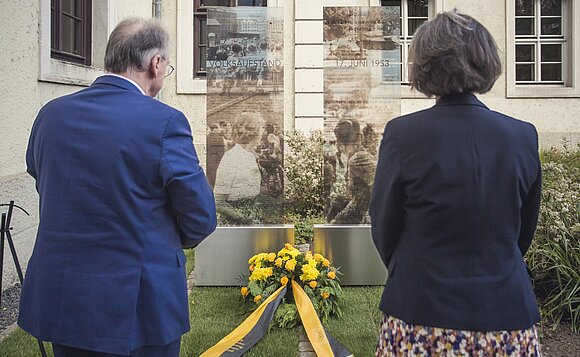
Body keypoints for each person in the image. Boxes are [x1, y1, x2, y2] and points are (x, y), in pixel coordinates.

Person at [18, 18, 217, 357]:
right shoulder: (165, 121)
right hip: (138, 304)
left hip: (65, 298)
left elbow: (42, 178)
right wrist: (167, 238)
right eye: (166, 66)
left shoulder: (50, 115)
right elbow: (200, 216)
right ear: (155, 64)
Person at [370, 10, 542, 356]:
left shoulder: (403, 134)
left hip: (420, 315)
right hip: (507, 317)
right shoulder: (522, 136)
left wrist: (414, 269)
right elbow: (522, 231)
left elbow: (384, 226)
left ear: (422, 65)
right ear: (486, 60)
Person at [213, 112, 265, 224]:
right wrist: (244, 219)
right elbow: (218, 202)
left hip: (252, 218)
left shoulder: (251, 155)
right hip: (235, 223)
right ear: (252, 133)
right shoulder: (231, 158)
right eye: (261, 131)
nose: (262, 135)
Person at [326, 118, 375, 224]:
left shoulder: (358, 159)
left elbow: (371, 194)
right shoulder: (359, 156)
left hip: (365, 215)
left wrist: (336, 222)